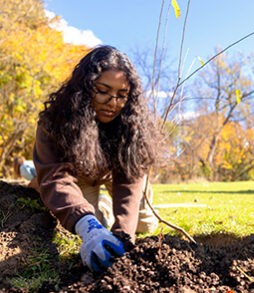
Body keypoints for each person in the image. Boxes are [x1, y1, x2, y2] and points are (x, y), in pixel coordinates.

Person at [33, 45, 161, 272]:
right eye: (103, 90)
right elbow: (56, 178)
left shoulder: (130, 125)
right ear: (85, 87)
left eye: (122, 95)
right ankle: (36, 179)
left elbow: (129, 180)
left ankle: (105, 208)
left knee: (145, 225)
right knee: (83, 225)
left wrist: (123, 234)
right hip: (76, 177)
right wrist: (88, 225)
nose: (113, 103)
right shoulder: (54, 122)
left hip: (112, 173)